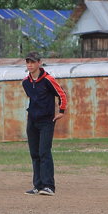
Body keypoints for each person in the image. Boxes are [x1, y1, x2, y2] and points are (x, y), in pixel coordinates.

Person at [22, 51, 67, 196]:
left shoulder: (48, 79)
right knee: (34, 153)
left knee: (44, 152)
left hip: (47, 121)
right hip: (32, 120)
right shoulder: (25, 82)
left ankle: (49, 186)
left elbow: (61, 94)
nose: (30, 65)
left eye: (33, 62)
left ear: (39, 63)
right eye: (28, 62)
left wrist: (61, 111)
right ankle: (38, 185)